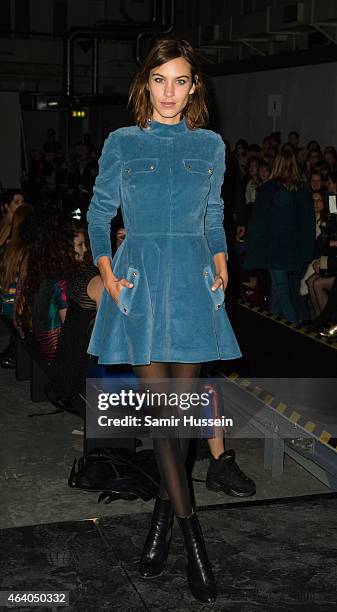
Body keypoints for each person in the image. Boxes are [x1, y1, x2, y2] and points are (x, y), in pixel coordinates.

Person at [86, 37, 241, 604]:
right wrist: (108, 271)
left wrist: (222, 264)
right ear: (144, 84)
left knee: (181, 418)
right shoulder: (123, 142)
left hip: (197, 284)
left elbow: (215, 216)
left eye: (180, 80)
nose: (169, 92)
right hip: (142, 285)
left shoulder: (212, 145)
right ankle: (193, 538)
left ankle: (161, 523)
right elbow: (100, 215)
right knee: (163, 420)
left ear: (194, 85)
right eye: (159, 80)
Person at [244, 150, 316, 323]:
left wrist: (252, 246)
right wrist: (307, 252)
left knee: (282, 291)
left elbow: (258, 222)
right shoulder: (302, 190)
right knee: (278, 290)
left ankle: (296, 328)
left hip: (274, 248)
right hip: (294, 248)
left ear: (276, 165)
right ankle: (272, 325)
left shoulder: (269, 189)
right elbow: (308, 223)